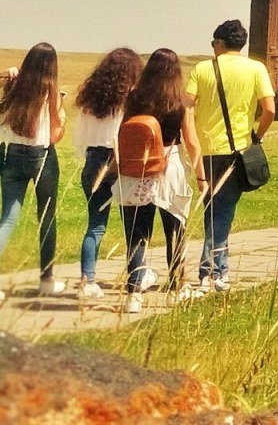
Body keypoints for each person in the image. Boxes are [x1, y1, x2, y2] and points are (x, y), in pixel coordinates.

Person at [185, 19, 274, 293]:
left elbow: (186, 108)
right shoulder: (256, 68)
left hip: (208, 149)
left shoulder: (202, 69)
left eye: (214, 43)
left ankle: (212, 270)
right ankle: (215, 271)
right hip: (238, 149)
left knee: (215, 212)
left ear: (221, 43)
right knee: (222, 213)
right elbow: (269, 109)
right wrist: (257, 135)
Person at [118, 48, 205, 311]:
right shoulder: (179, 101)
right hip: (170, 165)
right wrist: (201, 175)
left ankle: (134, 293)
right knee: (175, 230)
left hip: (137, 168)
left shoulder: (134, 97)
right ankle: (176, 287)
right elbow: (190, 140)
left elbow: (124, 130)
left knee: (137, 234)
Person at [71, 47, 142, 299]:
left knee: (95, 226)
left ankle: (86, 280)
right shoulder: (132, 97)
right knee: (132, 227)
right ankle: (136, 278)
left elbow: (80, 135)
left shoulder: (91, 95)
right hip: (121, 161)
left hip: (93, 160)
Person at [0, 43, 67, 302]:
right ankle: (46, 279)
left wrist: (5, 75)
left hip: (12, 155)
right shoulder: (51, 90)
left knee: (7, 219)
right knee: (47, 217)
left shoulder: (14, 86)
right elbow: (53, 135)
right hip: (42, 157)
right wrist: (61, 116)